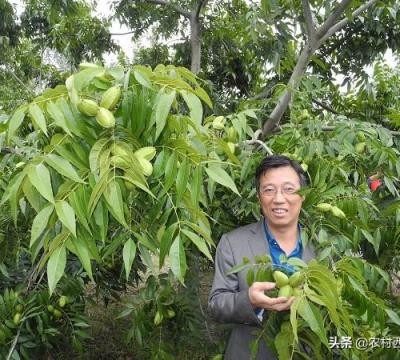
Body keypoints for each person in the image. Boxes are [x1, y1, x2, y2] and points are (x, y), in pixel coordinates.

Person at [208, 155, 315, 359]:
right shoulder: (233, 243)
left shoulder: (321, 246)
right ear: (259, 197)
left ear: (303, 195)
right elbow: (216, 304)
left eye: (289, 189)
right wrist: (249, 300)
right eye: (269, 190)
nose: (279, 198)